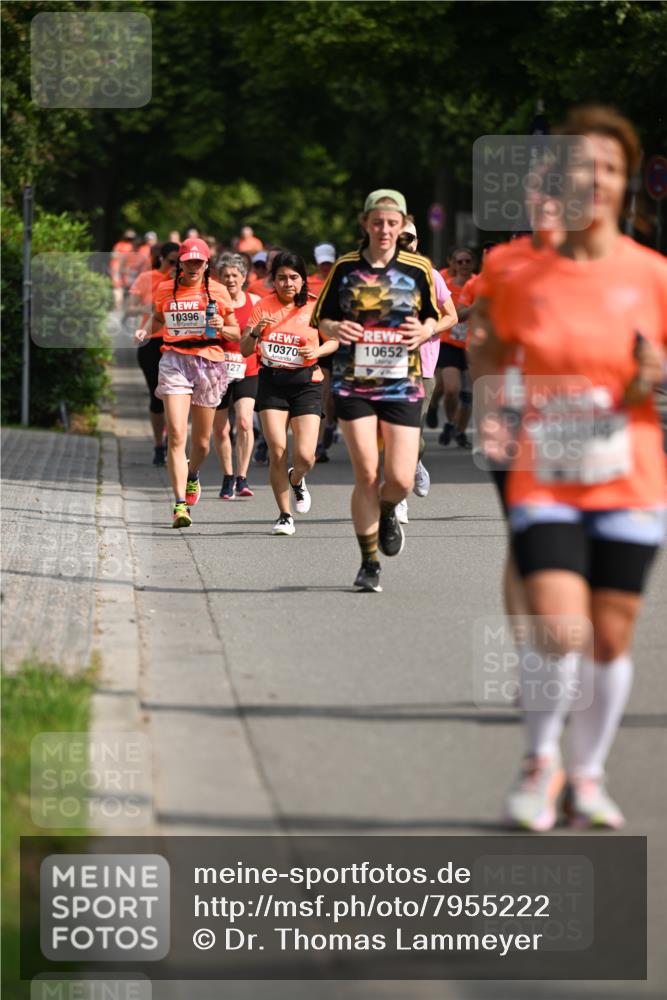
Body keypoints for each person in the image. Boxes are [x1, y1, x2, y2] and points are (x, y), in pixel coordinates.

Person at [470, 105, 667, 830]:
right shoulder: (516, 271)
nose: (597, 179)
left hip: (630, 473)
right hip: (545, 472)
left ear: (628, 185)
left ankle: (586, 776)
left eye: (611, 168)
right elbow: (487, 349)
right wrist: (490, 406)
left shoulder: (652, 275)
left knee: (610, 637)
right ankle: (539, 761)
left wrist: (655, 372)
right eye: (583, 166)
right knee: (561, 629)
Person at [312, 189, 440, 592]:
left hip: (403, 382)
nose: (384, 229)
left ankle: (388, 510)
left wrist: (425, 330)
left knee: (400, 479)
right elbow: (321, 318)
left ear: (401, 225)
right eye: (377, 222)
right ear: (365, 223)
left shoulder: (419, 268)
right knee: (367, 472)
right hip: (354, 382)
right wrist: (335, 328)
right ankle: (369, 563)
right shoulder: (346, 268)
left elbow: (435, 318)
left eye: (392, 223)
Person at [135, 237, 240, 527]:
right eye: (188, 261)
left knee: (202, 442)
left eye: (199, 261)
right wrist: (146, 331)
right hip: (174, 360)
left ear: (207, 264)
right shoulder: (165, 288)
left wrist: (222, 326)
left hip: (209, 361)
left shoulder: (218, 291)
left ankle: (193, 475)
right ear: (180, 262)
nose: (193, 266)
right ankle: (180, 505)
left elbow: (235, 333)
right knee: (178, 435)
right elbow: (157, 318)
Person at [240, 251, 338, 535]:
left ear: (303, 279)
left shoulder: (314, 306)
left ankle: (297, 479)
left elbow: (334, 341)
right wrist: (256, 332)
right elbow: (246, 349)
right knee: (278, 449)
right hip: (272, 382)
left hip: (307, 382)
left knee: (306, 456)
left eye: (293, 277)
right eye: (281, 278)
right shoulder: (263, 306)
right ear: (273, 280)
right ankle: (284, 515)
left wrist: (316, 350)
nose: (287, 283)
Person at [395, 220, 458, 521]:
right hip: (382, 362)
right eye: (401, 236)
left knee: (410, 434)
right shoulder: (374, 275)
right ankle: (398, 496)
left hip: (422, 365)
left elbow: (452, 316)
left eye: (412, 238)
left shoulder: (431, 276)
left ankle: (413, 465)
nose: (407, 242)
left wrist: (428, 329)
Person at [125, 241, 180, 465]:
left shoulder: (185, 282)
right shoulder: (146, 279)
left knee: (175, 396)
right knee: (157, 396)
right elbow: (129, 308)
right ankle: (159, 444)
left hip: (178, 343)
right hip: (151, 342)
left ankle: (173, 441)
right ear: (161, 259)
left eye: (180, 262)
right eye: (171, 262)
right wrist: (149, 310)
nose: (175, 266)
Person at [212, 253, 261, 499]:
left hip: (248, 368)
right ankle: (227, 475)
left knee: (244, 421)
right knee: (221, 429)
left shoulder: (255, 301)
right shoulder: (213, 302)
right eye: (225, 276)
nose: (230, 279)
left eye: (234, 275)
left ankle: (242, 478)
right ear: (218, 279)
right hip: (217, 371)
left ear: (243, 278)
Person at [436, 247, 476, 449]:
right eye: (459, 261)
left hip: (473, 345)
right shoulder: (445, 285)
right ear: (451, 263)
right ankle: (448, 419)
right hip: (449, 343)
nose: (463, 265)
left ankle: (458, 431)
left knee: (468, 394)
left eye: (467, 261)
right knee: (450, 389)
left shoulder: (479, 283)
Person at [110, 228, 136, 309]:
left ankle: (121, 305)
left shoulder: (131, 246)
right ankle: (118, 305)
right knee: (118, 286)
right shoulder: (120, 245)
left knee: (125, 286)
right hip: (117, 268)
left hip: (124, 269)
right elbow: (114, 255)